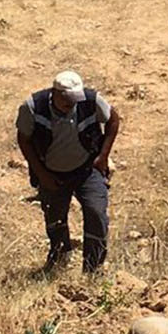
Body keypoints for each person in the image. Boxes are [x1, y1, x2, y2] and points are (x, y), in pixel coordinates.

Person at [16, 70, 120, 274]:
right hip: (52, 173)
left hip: (87, 170)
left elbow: (113, 119)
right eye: (67, 100)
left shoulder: (90, 100)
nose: (72, 104)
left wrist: (103, 156)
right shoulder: (33, 107)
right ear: (55, 93)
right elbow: (24, 140)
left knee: (96, 214)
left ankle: (93, 268)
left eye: (75, 99)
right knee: (55, 219)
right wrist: (41, 174)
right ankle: (60, 258)